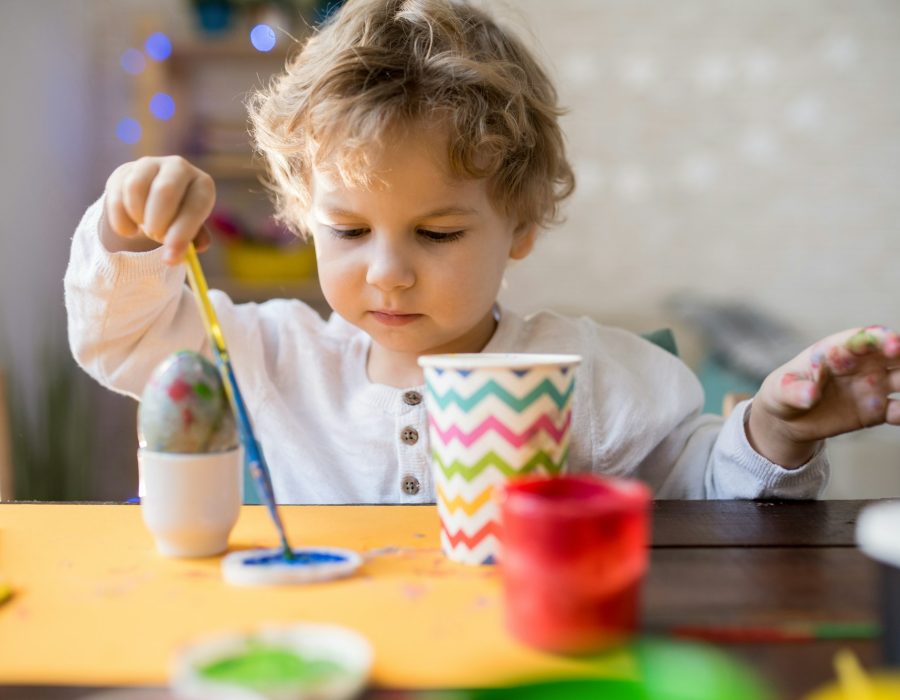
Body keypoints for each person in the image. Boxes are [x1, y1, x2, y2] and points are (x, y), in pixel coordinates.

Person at [65, 0, 899, 503]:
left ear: (523, 223)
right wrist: (128, 235)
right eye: (348, 231)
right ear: (301, 216)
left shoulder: (588, 372)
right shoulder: (269, 356)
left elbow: (711, 496)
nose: (387, 271)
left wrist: (774, 433)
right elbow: (122, 340)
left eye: (438, 233)